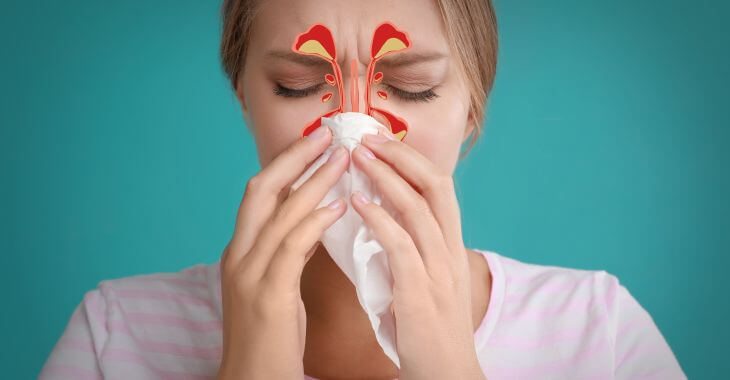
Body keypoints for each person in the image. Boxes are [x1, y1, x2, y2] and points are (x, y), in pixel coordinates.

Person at [39, 0, 687, 379]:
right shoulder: (115, 339)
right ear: (244, 100)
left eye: (410, 88)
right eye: (296, 84)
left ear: (470, 109)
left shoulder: (595, 337)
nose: (354, 128)